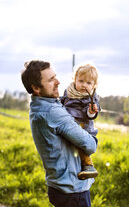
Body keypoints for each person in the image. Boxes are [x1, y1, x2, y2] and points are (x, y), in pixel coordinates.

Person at [21, 60, 98, 207]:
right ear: (36, 88)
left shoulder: (42, 107)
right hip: (72, 191)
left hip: (59, 186)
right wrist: (92, 135)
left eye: (55, 76)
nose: (58, 81)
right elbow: (89, 145)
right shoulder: (52, 112)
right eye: (51, 80)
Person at [60, 63, 101, 180]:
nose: (84, 85)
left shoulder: (91, 97)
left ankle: (88, 166)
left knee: (80, 143)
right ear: (75, 80)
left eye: (88, 83)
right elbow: (62, 102)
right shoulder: (68, 91)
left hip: (82, 125)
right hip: (66, 122)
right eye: (81, 81)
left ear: (94, 85)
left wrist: (91, 111)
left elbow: (89, 115)